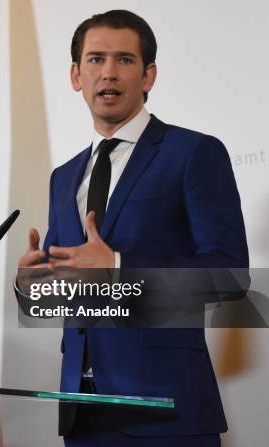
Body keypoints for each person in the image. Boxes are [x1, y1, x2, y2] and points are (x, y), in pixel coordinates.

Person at [18, 10, 248, 447]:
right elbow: (65, 295)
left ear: (148, 76)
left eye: (124, 60)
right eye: (95, 59)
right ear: (75, 75)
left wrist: (121, 267)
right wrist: (33, 287)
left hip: (165, 411)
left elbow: (231, 276)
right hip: (82, 413)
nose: (108, 72)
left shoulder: (193, 153)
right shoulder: (63, 177)